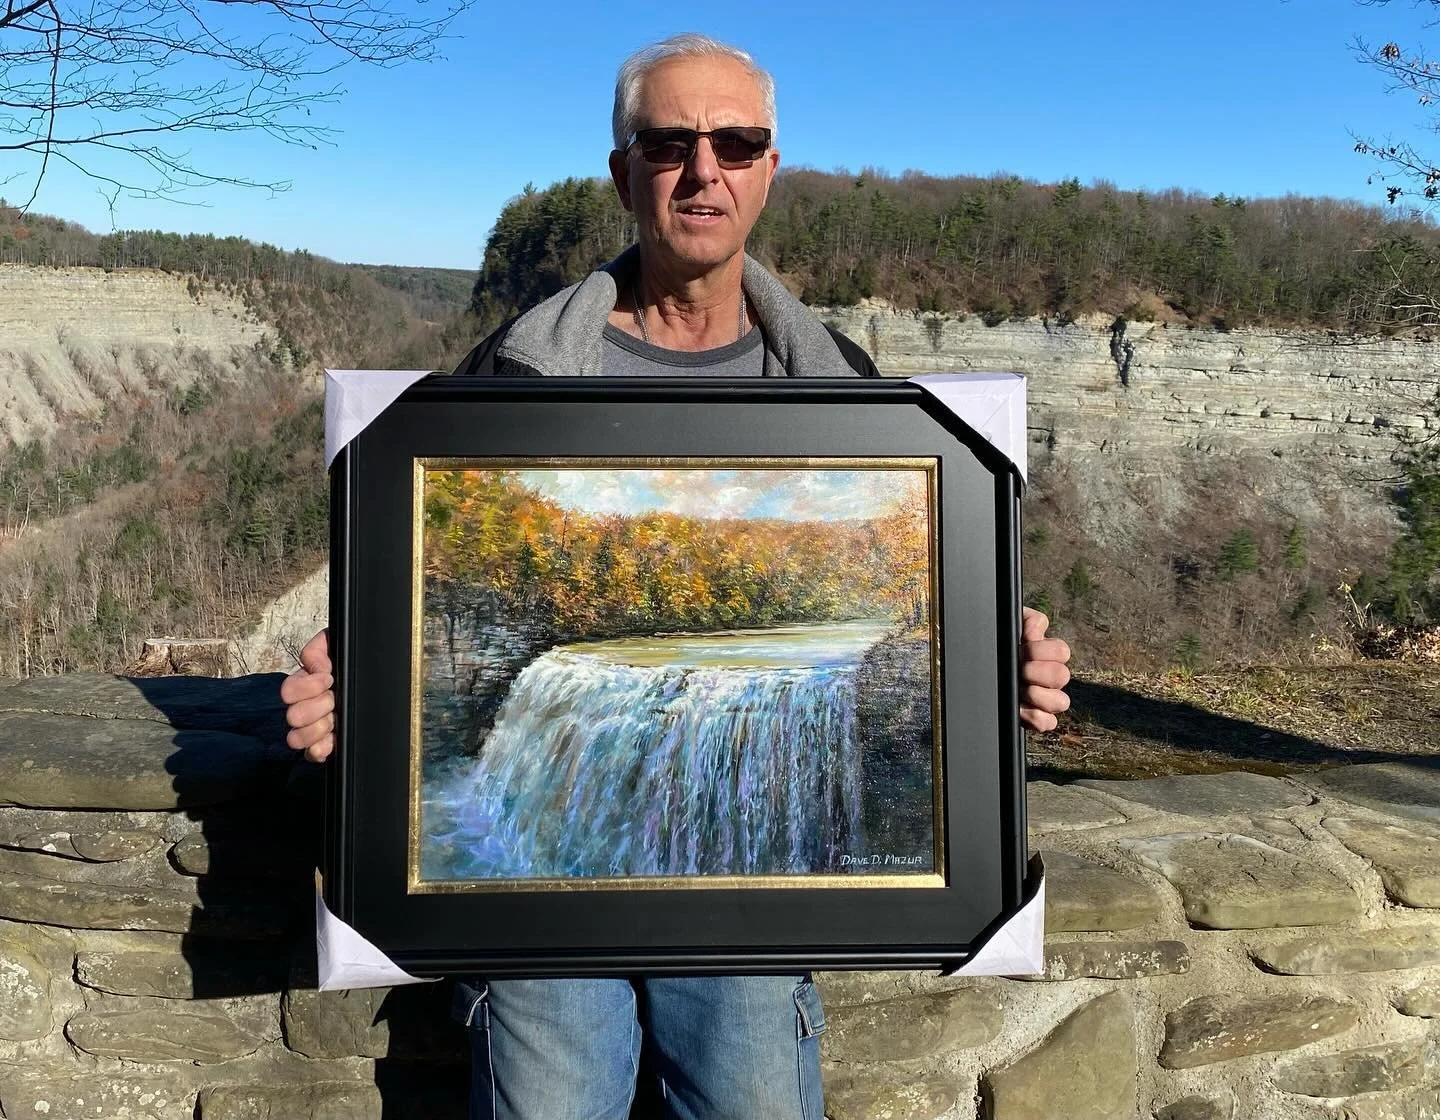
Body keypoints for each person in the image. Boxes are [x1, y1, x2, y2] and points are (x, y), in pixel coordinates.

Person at [281, 34, 1072, 1120]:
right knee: (553, 1093)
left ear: (767, 170)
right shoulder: (509, 378)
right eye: (669, 141)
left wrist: (992, 675)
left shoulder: (855, 397)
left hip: (750, 884)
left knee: (753, 1094)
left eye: (736, 142)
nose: (705, 169)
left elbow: (918, 636)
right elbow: (413, 614)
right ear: (623, 171)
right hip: (538, 886)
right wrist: (360, 697)